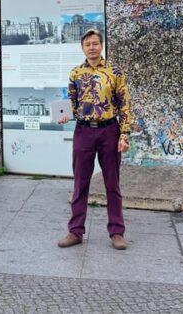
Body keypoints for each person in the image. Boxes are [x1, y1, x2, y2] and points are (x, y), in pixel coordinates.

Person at [56, 29, 131, 251]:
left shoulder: (115, 71)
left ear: (101, 45)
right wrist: (64, 115)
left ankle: (117, 231)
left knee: (112, 184)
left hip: (109, 130)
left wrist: (124, 134)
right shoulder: (76, 73)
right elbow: (71, 101)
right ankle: (75, 231)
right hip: (84, 131)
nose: (92, 47)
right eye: (87, 44)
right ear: (82, 48)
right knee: (80, 183)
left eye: (95, 43)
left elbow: (124, 104)